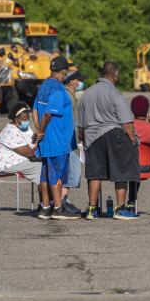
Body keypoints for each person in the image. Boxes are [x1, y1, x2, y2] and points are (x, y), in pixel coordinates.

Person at [76, 61, 140, 221]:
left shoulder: (87, 94)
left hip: (92, 137)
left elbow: (80, 124)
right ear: (114, 75)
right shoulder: (115, 93)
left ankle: (92, 209)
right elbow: (126, 122)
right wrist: (133, 140)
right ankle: (120, 208)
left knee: (95, 174)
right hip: (114, 135)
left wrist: (83, 140)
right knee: (121, 171)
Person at [32, 56, 79, 220]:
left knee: (45, 174)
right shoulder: (58, 89)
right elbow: (48, 113)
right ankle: (58, 208)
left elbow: (35, 110)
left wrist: (38, 129)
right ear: (63, 71)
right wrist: (41, 130)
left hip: (46, 141)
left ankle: (45, 207)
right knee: (57, 175)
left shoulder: (44, 86)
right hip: (58, 139)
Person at [0, 102, 44, 204]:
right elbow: (29, 152)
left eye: (28, 119)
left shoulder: (26, 129)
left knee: (45, 167)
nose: (27, 121)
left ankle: (46, 203)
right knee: (42, 169)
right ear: (16, 120)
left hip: (20, 160)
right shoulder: (10, 131)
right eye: (24, 119)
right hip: (7, 163)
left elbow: (33, 146)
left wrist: (37, 140)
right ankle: (45, 204)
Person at [127, 95, 150, 216]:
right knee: (136, 170)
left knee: (131, 168)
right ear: (147, 110)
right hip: (146, 166)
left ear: (132, 110)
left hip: (128, 166)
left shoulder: (128, 127)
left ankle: (129, 203)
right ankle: (132, 202)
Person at [60, 69, 89, 214]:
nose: (81, 82)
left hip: (71, 139)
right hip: (68, 141)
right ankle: (62, 201)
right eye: (79, 80)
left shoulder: (69, 94)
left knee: (70, 172)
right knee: (71, 172)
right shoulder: (68, 97)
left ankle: (62, 200)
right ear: (72, 81)